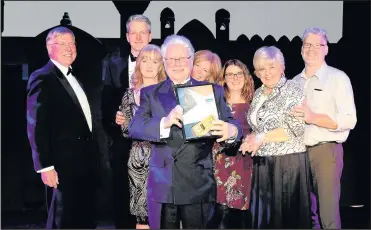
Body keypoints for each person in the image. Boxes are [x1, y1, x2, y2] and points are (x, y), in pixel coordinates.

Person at [128, 34, 243, 229]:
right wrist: (164, 122)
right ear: (164, 62)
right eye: (171, 59)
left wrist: (231, 130)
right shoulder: (151, 93)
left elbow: (234, 125)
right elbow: (135, 127)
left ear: (191, 60)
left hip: (198, 183)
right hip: (163, 184)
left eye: (182, 58)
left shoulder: (212, 91)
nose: (177, 63)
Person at [26, 26, 99, 228]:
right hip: (61, 167)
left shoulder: (77, 78)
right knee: (62, 221)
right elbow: (36, 124)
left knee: (83, 220)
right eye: (63, 44)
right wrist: (45, 166)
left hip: (84, 166)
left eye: (72, 43)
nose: (69, 48)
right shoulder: (42, 77)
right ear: (50, 48)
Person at [291, 27, 357, 229]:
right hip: (298, 154)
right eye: (307, 44)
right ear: (301, 49)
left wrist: (314, 117)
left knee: (327, 214)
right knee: (308, 215)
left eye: (317, 45)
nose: (311, 49)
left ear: (326, 49)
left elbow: (349, 120)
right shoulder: (293, 83)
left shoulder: (338, 78)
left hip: (326, 151)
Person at [239, 46, 312, 229]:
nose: (267, 72)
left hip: (287, 165)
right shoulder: (257, 94)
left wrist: (261, 137)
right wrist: (251, 138)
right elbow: (258, 127)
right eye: (261, 69)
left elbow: (296, 128)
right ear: (256, 72)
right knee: (264, 218)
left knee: (284, 219)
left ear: (282, 67)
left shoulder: (293, 89)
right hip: (262, 164)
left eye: (271, 66)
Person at [101, 14, 152, 228]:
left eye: (143, 32)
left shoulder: (164, 64)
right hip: (124, 144)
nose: (138, 37)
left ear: (150, 36)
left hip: (154, 145)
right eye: (134, 33)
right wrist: (114, 115)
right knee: (122, 197)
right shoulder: (112, 64)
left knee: (151, 199)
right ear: (127, 36)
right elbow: (105, 103)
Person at [117, 44, 166, 229]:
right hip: (139, 160)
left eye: (154, 61)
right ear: (138, 64)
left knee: (167, 215)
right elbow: (126, 131)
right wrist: (122, 122)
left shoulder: (170, 92)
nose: (149, 65)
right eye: (144, 60)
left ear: (161, 65)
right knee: (142, 216)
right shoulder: (129, 94)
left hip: (166, 158)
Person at [207, 59, 255, 229]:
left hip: (244, 165)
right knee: (217, 213)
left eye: (238, 73)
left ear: (245, 76)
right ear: (224, 78)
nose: (234, 78)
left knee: (237, 215)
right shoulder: (214, 103)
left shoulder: (255, 104)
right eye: (230, 74)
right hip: (217, 164)